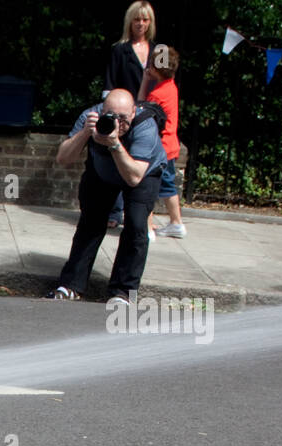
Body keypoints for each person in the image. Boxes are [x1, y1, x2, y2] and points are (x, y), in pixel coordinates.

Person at [45, 88, 166, 303]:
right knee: (90, 222)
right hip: (103, 171)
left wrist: (115, 144)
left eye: (123, 118)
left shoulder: (145, 126)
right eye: (111, 116)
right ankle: (71, 285)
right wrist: (85, 133)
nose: (117, 124)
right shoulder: (89, 117)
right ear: (102, 111)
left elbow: (134, 178)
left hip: (141, 172)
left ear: (134, 113)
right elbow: (63, 159)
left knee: (137, 225)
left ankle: (123, 292)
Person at [104, 2, 157, 228]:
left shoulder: (159, 50)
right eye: (137, 19)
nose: (141, 24)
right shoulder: (120, 49)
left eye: (145, 19)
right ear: (130, 21)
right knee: (119, 158)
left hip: (148, 114)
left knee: (144, 161)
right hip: (123, 113)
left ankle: (142, 214)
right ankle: (114, 212)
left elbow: (165, 80)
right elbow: (110, 82)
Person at [145, 46, 185, 238]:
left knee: (148, 185)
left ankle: (148, 227)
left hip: (158, 147)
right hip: (171, 145)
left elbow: (145, 115)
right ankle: (176, 223)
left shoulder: (157, 94)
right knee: (168, 185)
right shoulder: (171, 86)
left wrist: (145, 81)